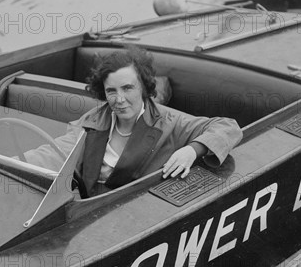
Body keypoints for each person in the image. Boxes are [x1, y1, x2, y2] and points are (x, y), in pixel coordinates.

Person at [25, 46, 242, 197]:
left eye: (127, 88)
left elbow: (228, 127)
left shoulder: (169, 121)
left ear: (144, 87)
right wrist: (15, 160)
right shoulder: (92, 121)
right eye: (111, 91)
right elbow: (55, 152)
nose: (119, 100)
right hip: (87, 213)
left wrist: (193, 150)